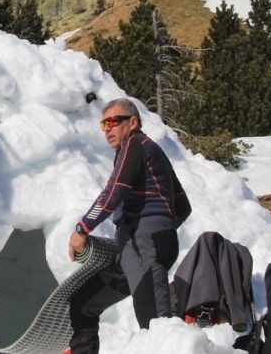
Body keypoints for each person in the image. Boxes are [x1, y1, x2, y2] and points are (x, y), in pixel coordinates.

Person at [66, 98, 191, 353]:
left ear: (132, 122)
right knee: (83, 304)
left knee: (156, 326)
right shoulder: (151, 151)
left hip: (142, 243)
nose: (108, 129)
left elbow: (113, 194)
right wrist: (162, 229)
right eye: (103, 124)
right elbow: (183, 206)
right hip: (138, 248)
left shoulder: (135, 144)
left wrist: (81, 229)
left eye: (114, 121)